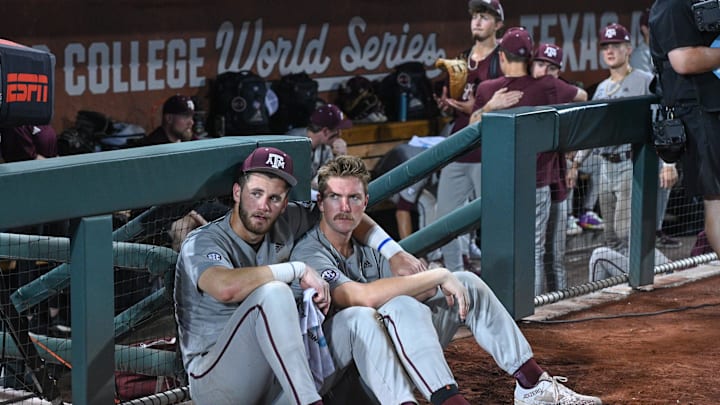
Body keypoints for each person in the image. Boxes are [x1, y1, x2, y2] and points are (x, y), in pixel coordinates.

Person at [292, 154, 602, 405]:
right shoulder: (310, 251)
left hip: (394, 362)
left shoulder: (370, 244)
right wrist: (436, 276)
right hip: (348, 381)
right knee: (402, 306)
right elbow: (361, 298)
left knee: (465, 280)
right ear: (321, 202)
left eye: (353, 198)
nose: (344, 208)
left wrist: (429, 280)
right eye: (335, 198)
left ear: (366, 202)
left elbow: (409, 290)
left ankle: (532, 385)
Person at [174, 146, 424, 404]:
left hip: (276, 375)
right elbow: (224, 287)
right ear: (237, 193)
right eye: (256, 193)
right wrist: (296, 269)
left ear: (284, 203)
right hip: (218, 382)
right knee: (274, 291)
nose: (263, 206)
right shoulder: (204, 241)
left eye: (274, 198)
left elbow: (344, 215)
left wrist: (394, 252)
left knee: (357, 318)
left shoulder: (287, 220)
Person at [469, 28, 586, 295]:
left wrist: (490, 108)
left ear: (501, 56)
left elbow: (470, 128)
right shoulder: (547, 86)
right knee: (532, 250)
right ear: (530, 58)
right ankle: (528, 310)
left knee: (502, 249)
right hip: (535, 183)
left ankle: (508, 309)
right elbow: (583, 98)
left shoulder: (488, 90)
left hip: (501, 184)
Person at [571, 23, 677, 256]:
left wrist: (669, 162)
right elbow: (593, 131)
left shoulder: (645, 80)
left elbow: (664, 118)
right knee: (611, 236)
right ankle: (622, 285)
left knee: (625, 232)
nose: (610, 51)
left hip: (633, 165)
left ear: (628, 49)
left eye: (616, 46)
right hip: (605, 168)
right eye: (605, 46)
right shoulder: (601, 89)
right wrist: (576, 163)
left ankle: (648, 276)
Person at [432, 0, 507, 272]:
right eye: (475, 16)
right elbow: (459, 105)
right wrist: (447, 104)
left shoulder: (502, 60)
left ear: (498, 24)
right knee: (445, 218)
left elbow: (509, 100)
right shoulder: (461, 59)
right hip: (460, 145)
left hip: (490, 148)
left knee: (493, 218)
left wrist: (474, 108)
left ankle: (497, 275)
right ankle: (456, 275)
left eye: (485, 16)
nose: (477, 21)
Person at [650, 1, 720, 256]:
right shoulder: (672, 5)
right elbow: (684, 60)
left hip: (712, 108)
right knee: (717, 201)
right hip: (699, 114)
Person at [530, 43, 588, 291]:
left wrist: (574, 163)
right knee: (535, 249)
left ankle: (560, 299)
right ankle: (536, 303)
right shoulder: (526, 88)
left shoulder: (559, 89)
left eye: (552, 67)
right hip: (533, 178)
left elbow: (584, 99)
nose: (545, 71)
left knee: (555, 251)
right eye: (541, 64)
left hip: (558, 176)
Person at [631, 8, 683, 249]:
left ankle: (657, 229)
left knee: (664, 181)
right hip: (642, 126)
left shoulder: (669, 51)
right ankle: (644, 235)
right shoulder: (641, 55)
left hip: (662, 121)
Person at [288, 103, 352, 200]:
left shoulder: (326, 147)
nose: (340, 134)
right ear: (326, 131)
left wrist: (341, 158)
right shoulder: (293, 143)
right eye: (337, 130)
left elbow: (324, 181)